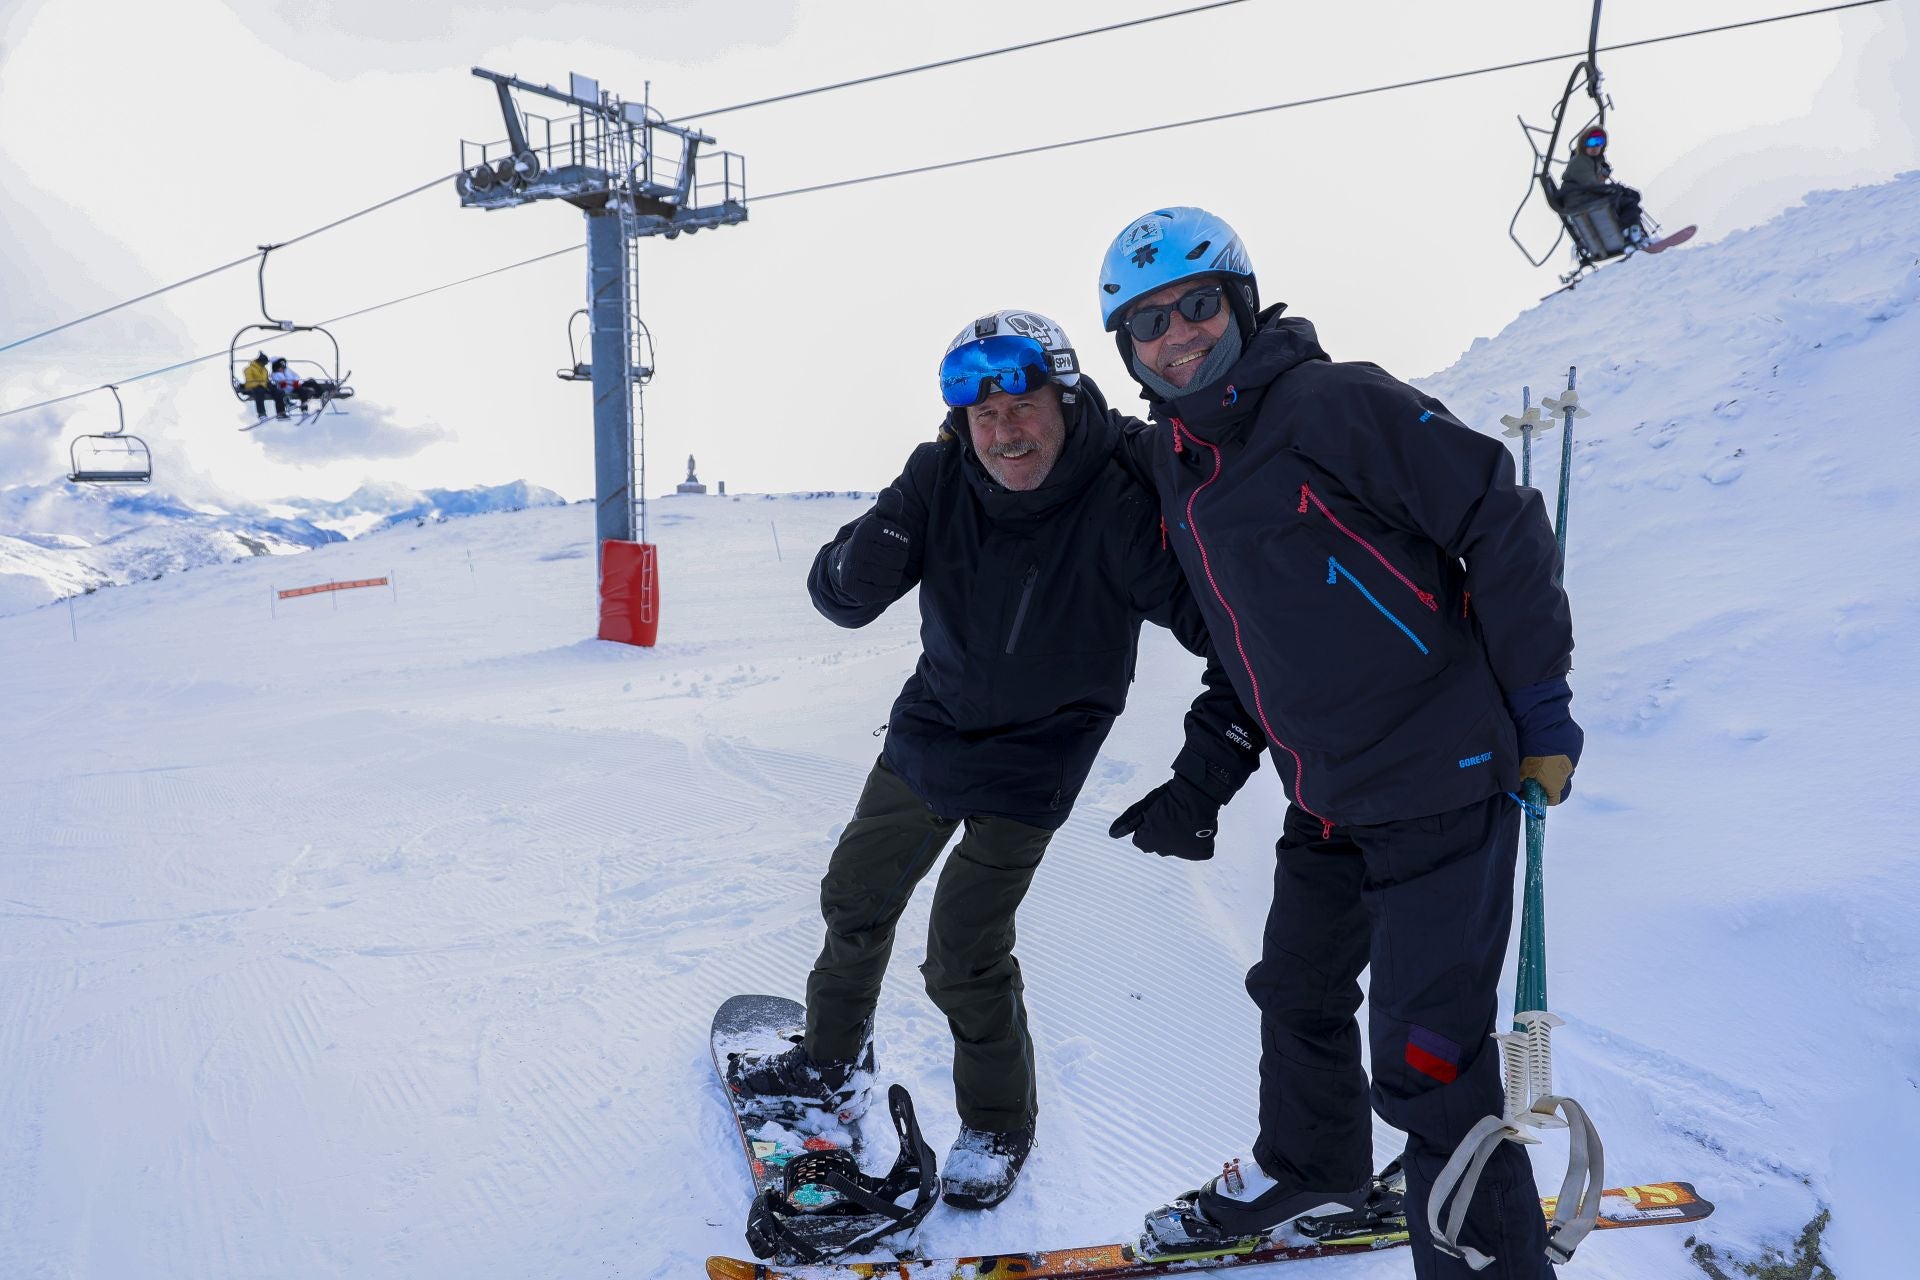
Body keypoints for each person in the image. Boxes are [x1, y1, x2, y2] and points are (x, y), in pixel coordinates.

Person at [1096, 207, 1583, 1279]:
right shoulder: (1180, 460)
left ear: (1242, 300)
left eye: (1196, 306)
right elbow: (1247, 641)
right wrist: (1204, 775)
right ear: (1126, 349)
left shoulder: (1333, 401)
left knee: (1430, 1066)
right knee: (1297, 994)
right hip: (1329, 793)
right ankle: (1312, 1162)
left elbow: (1497, 513)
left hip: (1443, 783)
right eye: (1147, 325)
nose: (1177, 336)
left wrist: (1542, 706)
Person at [725, 308, 1264, 1212]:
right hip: (931, 730)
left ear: (1064, 395)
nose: (1005, 431)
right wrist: (866, 556)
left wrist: (1203, 776)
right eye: (984, 416)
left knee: (963, 950)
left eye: (1021, 405)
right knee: (856, 896)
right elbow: (838, 598)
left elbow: (1236, 642)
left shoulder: (1122, 493)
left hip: (1036, 759)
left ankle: (998, 1122)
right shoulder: (940, 475)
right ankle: (829, 1058)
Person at [1558, 126, 1646, 246]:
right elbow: (1592, 186)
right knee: (1628, 202)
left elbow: (1594, 185)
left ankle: (1631, 233)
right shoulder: (1580, 161)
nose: (1595, 146)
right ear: (1583, 144)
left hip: (1586, 199)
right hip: (1582, 201)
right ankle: (1631, 235)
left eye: (1599, 142)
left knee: (1629, 198)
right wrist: (1617, 190)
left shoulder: (1591, 161)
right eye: (1591, 142)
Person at [241, 353, 287, 420]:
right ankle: (262, 414)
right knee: (259, 392)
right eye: (264, 363)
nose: (265, 365)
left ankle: (281, 413)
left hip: (264, 386)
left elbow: (266, 380)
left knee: (278, 392)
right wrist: (262, 384)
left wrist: (269, 384)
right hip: (253, 386)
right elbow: (250, 381)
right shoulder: (248, 369)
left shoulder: (264, 369)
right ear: (260, 361)